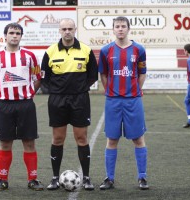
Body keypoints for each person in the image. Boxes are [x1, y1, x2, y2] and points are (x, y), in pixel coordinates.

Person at [41, 18, 98, 191]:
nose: (67, 31)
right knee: (58, 138)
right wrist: (57, 91)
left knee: (81, 137)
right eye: (64, 29)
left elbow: (93, 75)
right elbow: (44, 78)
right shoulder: (50, 51)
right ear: (59, 30)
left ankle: (87, 178)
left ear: (75, 29)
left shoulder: (86, 50)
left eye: (70, 29)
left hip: (79, 100)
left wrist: (80, 89)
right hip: (57, 101)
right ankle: (55, 178)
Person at [0, 22, 44, 191]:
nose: (14, 35)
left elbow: (38, 78)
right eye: (11, 32)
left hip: (26, 105)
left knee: (29, 143)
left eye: (17, 33)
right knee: (5, 143)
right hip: (5, 106)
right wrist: (1, 95)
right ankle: (2, 179)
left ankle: (33, 180)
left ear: (21, 36)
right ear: (5, 36)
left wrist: (29, 93)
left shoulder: (30, 56)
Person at [98, 16, 149, 190]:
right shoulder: (106, 51)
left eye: (123, 26)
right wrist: (110, 91)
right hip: (113, 101)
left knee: (138, 138)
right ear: (113, 29)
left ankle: (142, 178)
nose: (120, 29)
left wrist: (134, 90)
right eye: (117, 26)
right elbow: (103, 75)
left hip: (133, 101)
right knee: (112, 139)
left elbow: (142, 73)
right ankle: (109, 178)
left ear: (128, 28)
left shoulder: (138, 49)